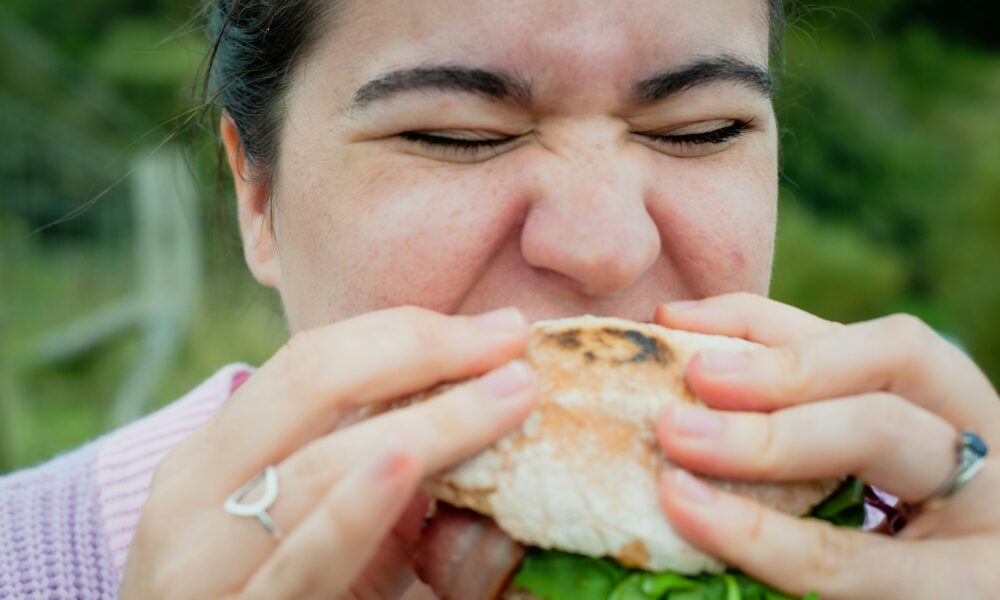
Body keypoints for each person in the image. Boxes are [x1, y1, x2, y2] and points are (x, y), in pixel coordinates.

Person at [1, 0, 998, 598]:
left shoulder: (916, 551)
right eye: (458, 135)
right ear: (256, 196)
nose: (606, 249)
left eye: (700, 129)